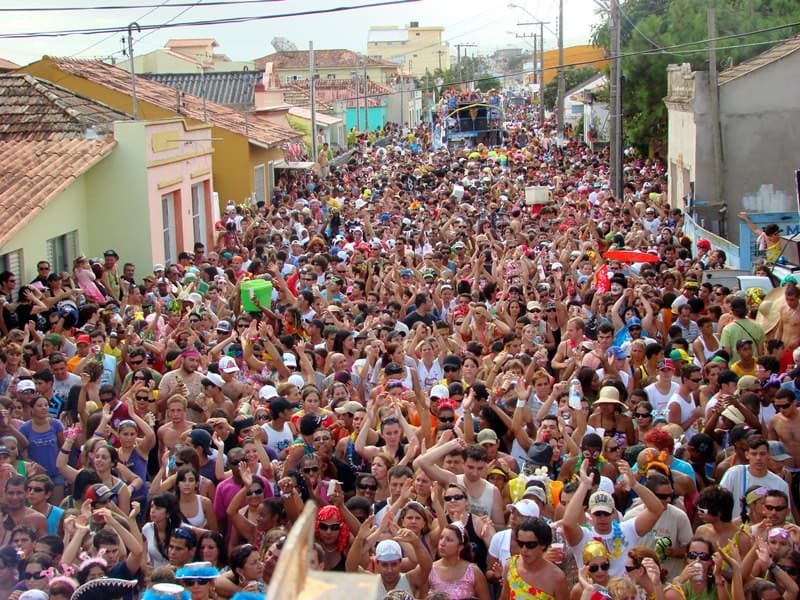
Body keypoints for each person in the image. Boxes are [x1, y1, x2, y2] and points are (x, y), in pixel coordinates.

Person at [500, 516, 568, 600]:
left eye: (530, 545)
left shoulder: (557, 578)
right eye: (520, 544)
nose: (524, 550)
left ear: (543, 545)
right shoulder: (510, 565)